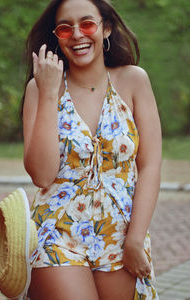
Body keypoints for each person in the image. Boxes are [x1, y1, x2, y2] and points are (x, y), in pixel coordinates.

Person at [21, 0, 162, 299]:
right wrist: (48, 93)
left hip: (122, 233)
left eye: (86, 24)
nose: (77, 34)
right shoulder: (40, 88)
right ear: (56, 37)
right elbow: (42, 176)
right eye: (65, 28)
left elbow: (150, 165)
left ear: (105, 28)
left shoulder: (134, 80)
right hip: (57, 231)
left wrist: (135, 240)